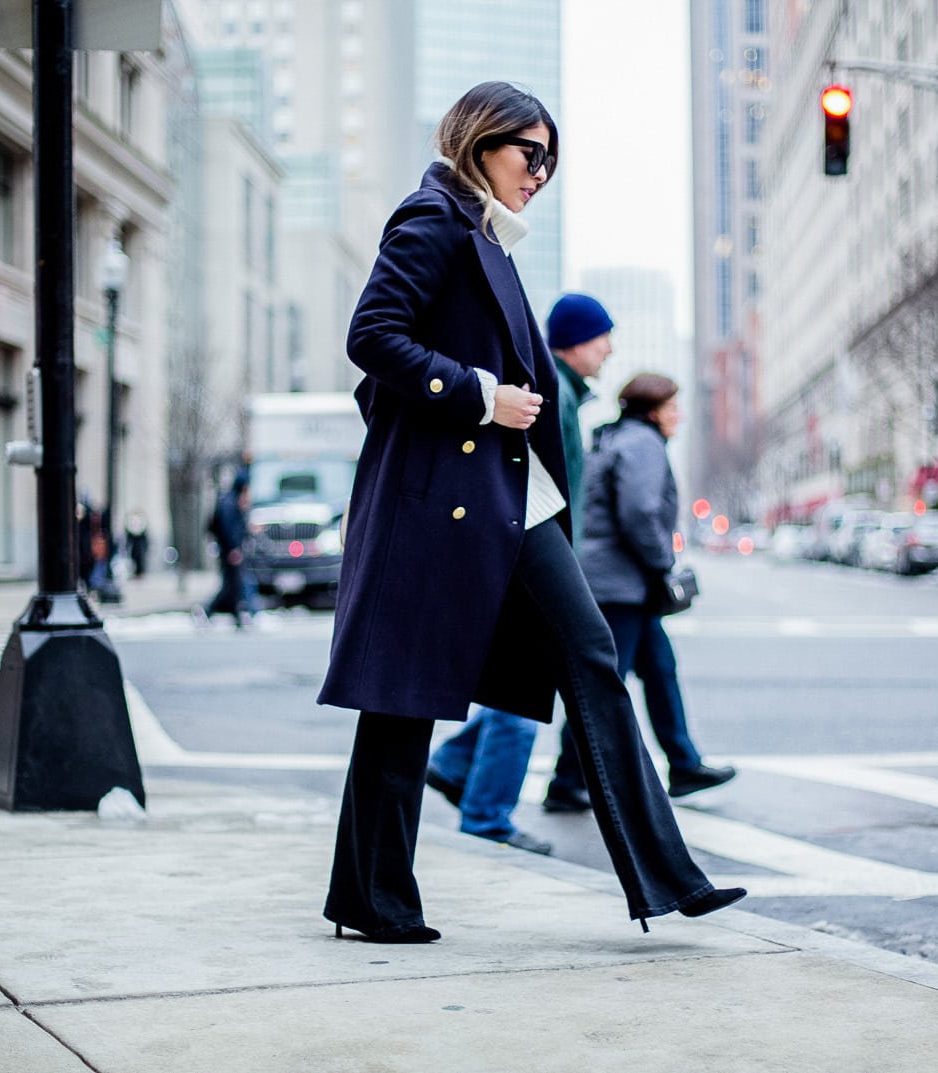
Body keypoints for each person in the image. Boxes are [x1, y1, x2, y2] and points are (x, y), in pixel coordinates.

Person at [318, 82, 744, 944]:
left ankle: (668, 876)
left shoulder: (488, 240)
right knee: (399, 702)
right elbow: (372, 336)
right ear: (479, 144)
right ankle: (371, 898)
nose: (542, 173)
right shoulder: (432, 218)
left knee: (587, 651)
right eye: (530, 154)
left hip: (507, 501)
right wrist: (477, 395)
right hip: (451, 502)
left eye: (551, 159)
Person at [424, 292, 615, 856]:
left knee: (521, 680)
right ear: (576, 341)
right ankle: (485, 816)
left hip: (528, 554)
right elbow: (542, 489)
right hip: (529, 556)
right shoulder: (553, 397)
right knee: (525, 688)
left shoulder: (566, 396)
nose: (608, 348)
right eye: (602, 336)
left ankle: (455, 765)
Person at [544, 373, 736, 812]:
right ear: (652, 410)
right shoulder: (642, 443)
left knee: (660, 670)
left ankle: (684, 764)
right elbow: (640, 510)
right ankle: (567, 780)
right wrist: (661, 563)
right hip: (620, 586)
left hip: (625, 585)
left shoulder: (616, 438)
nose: (679, 416)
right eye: (673, 408)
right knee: (603, 686)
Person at [205, 473, 257, 627]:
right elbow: (228, 528)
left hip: (231, 551)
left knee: (234, 585)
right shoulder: (229, 502)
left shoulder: (233, 501)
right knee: (231, 585)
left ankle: (237, 616)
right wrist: (233, 548)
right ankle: (208, 610)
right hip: (230, 552)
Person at [125, 509, 150, 577]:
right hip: (134, 546)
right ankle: (136, 573)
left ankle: (139, 573)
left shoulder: (141, 528)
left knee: (140, 560)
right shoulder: (131, 526)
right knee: (134, 559)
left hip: (139, 547)